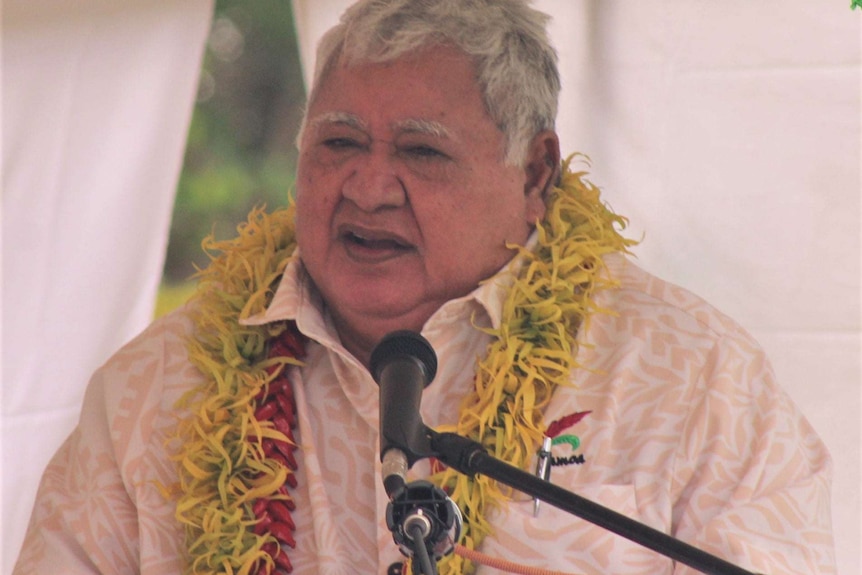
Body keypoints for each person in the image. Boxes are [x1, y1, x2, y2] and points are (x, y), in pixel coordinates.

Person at [14, 1, 835, 574]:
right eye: (337, 142)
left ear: (535, 173)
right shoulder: (153, 395)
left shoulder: (699, 386)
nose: (368, 187)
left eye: (422, 151)